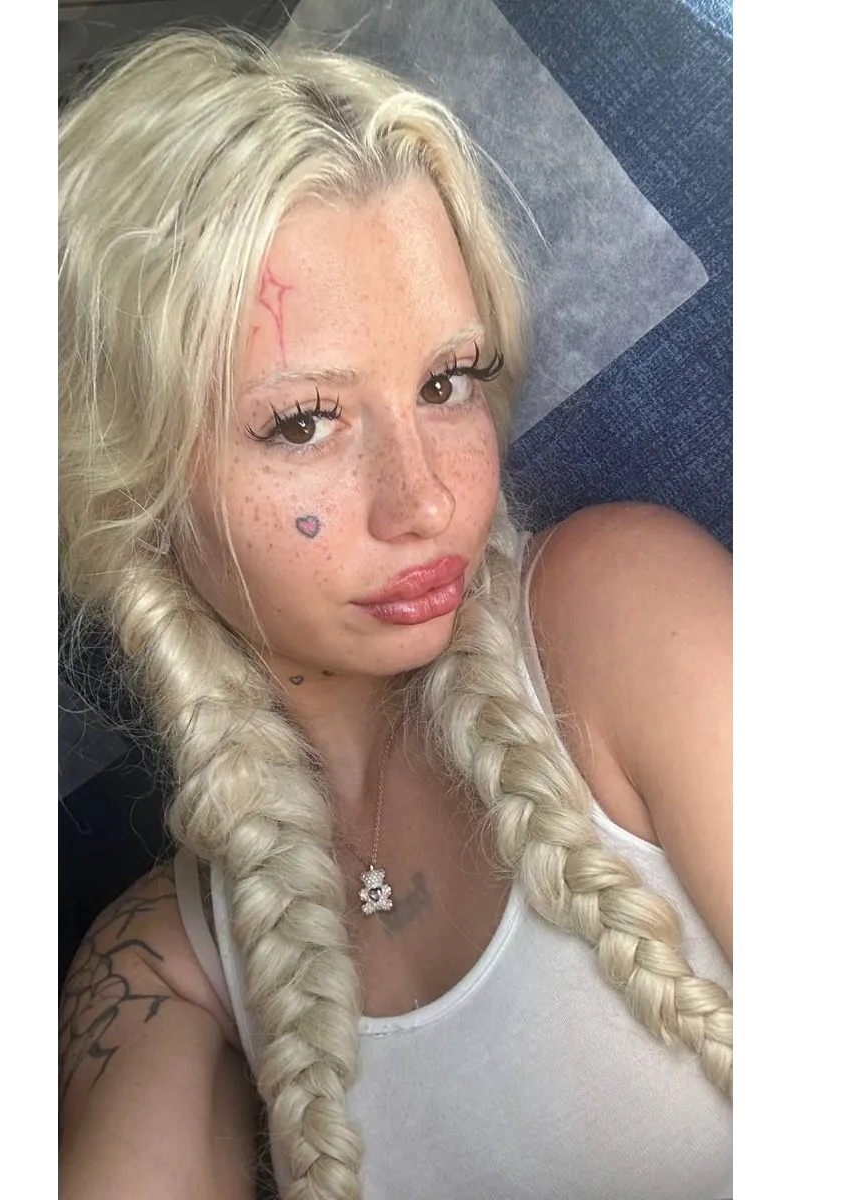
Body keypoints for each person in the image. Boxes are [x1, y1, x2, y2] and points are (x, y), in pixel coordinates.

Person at [57, 27, 735, 1200]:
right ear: (133, 483)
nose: (426, 502)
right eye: (303, 422)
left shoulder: (623, 616)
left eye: (446, 382)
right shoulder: (162, 962)